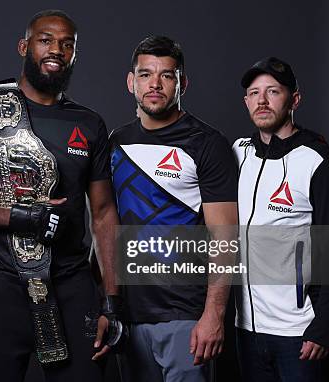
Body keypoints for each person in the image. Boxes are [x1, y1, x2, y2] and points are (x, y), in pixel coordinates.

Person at [0, 9, 120, 382]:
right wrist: (18, 217)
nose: (56, 49)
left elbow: (103, 214)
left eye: (66, 44)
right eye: (45, 40)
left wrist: (111, 301)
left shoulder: (88, 124)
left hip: (71, 283)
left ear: (74, 55)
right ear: (24, 46)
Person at [109, 36, 238, 382]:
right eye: (145, 74)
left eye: (167, 75)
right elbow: (103, 227)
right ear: (130, 81)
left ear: (183, 82)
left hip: (186, 316)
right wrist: (107, 305)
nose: (155, 84)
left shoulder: (207, 144)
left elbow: (226, 236)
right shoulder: (116, 143)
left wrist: (214, 314)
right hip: (130, 316)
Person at [232, 57, 329, 381]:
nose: (262, 101)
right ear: (246, 102)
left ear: (294, 99)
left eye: (273, 92)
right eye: (254, 94)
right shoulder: (237, 153)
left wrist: (324, 326)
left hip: (299, 332)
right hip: (247, 328)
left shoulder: (318, 162)